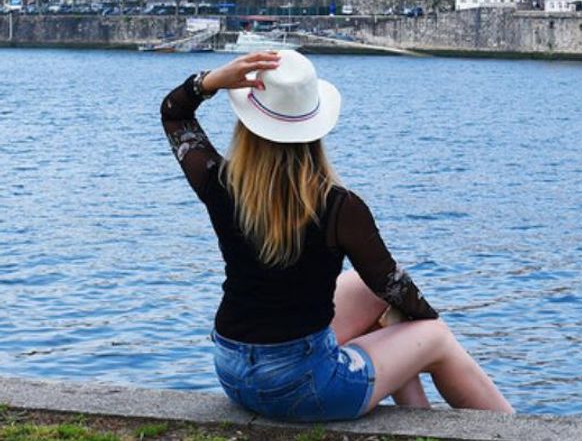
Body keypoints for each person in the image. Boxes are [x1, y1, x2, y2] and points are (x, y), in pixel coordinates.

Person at [161, 50, 512, 421]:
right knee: (434, 335)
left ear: (246, 126)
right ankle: (520, 431)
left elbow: (175, 113)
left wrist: (210, 81)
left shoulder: (218, 182)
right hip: (302, 387)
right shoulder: (339, 207)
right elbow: (394, 286)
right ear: (314, 129)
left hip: (233, 372)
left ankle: (417, 422)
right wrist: (422, 325)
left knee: (368, 292)